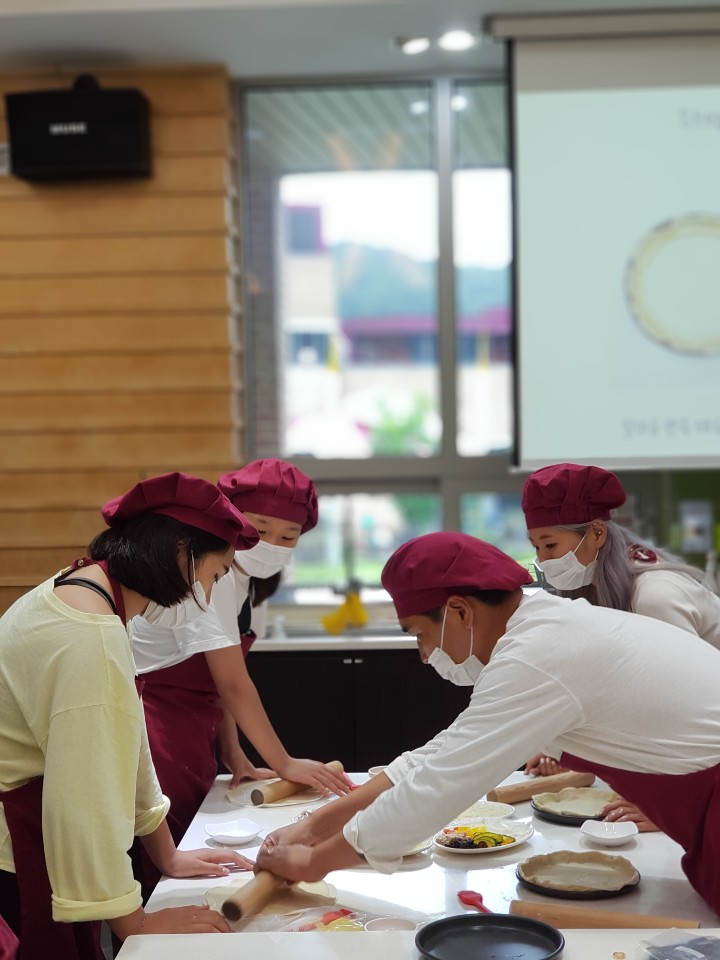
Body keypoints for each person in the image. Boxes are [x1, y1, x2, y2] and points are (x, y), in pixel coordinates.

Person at [255, 531, 720, 918]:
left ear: (460, 611)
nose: (423, 655)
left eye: (420, 635)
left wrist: (314, 862)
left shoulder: (537, 655)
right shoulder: (545, 628)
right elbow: (442, 753)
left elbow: (441, 784)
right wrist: (314, 826)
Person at [0, 472, 260, 959]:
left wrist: (167, 855)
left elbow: (129, 751)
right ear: (181, 552)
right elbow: (88, 796)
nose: (208, 595)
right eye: (215, 575)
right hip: (17, 843)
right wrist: (135, 922)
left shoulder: (84, 586)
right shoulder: (89, 634)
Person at [130, 459, 349, 871]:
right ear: (234, 519)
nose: (272, 544)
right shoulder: (217, 575)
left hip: (197, 724)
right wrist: (285, 763)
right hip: (157, 721)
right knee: (167, 850)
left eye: (288, 536)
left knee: (196, 844)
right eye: (261, 529)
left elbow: (220, 681)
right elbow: (232, 683)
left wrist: (234, 755)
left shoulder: (249, 584)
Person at [521, 461, 720, 829]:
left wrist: (667, 806)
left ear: (597, 532)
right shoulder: (599, 587)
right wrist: (578, 753)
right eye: (536, 547)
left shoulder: (653, 595)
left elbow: (683, 713)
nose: (543, 561)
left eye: (550, 545)